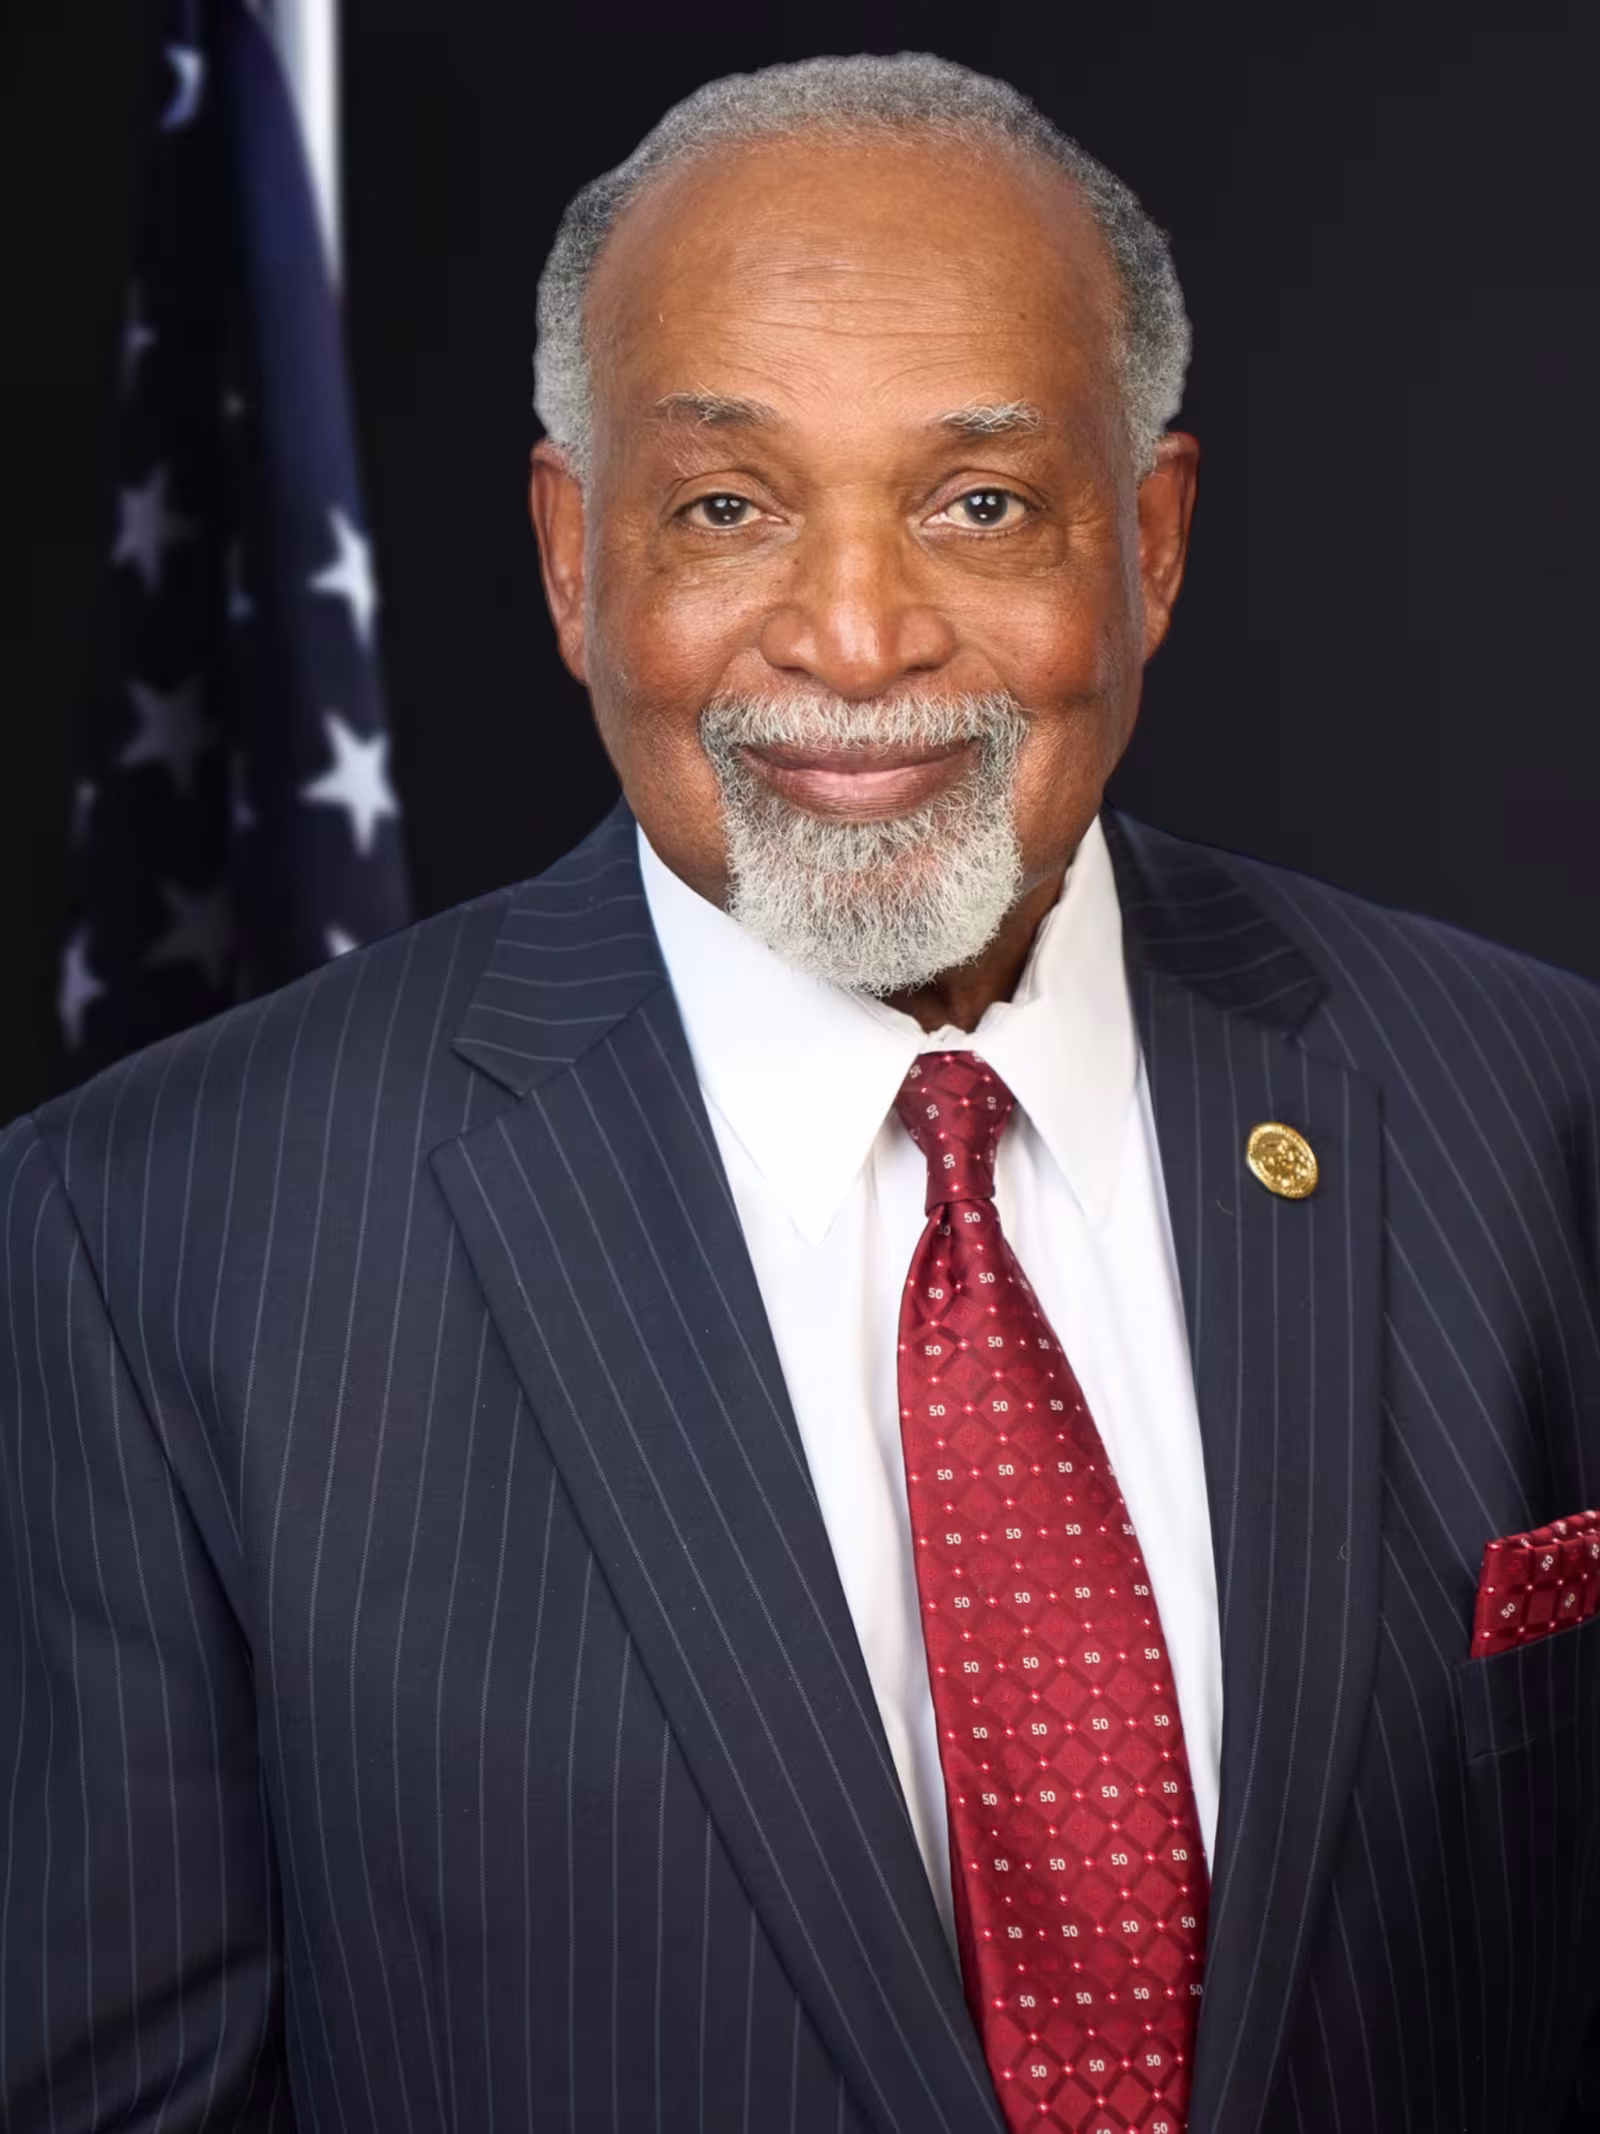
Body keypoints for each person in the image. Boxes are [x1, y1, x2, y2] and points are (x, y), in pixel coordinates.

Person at [2, 50, 1597, 2134]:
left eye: (978, 503)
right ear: (577, 560)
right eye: (728, 507)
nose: (852, 636)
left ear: (1150, 540)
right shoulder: (158, 1238)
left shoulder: (1534, 1104)